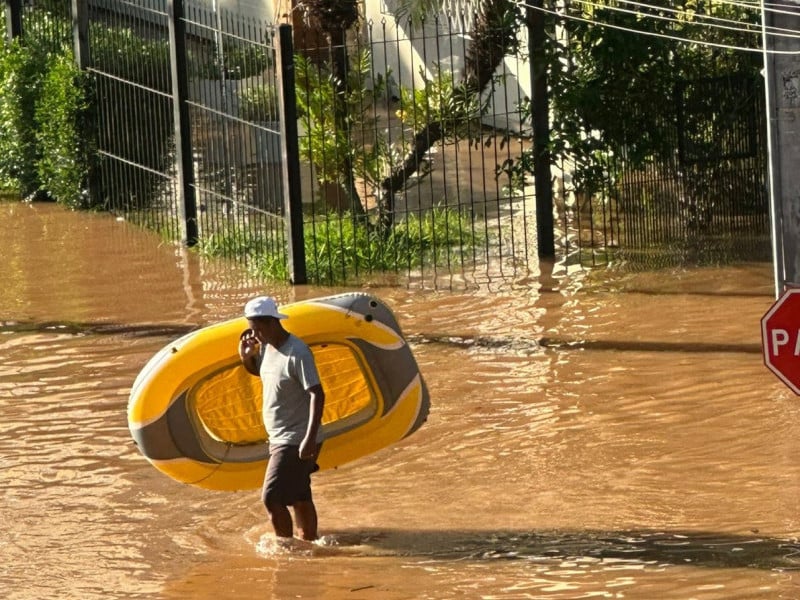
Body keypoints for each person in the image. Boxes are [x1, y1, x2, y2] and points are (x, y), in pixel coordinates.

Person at [238, 295, 325, 541]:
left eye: (256, 329)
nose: (254, 336)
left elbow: (317, 394)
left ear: (271, 323)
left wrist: (308, 439)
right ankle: (310, 542)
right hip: (280, 436)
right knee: (299, 494)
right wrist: (247, 359)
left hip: (295, 438)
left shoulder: (298, 352)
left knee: (271, 496)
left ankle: (287, 549)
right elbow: (267, 375)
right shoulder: (266, 348)